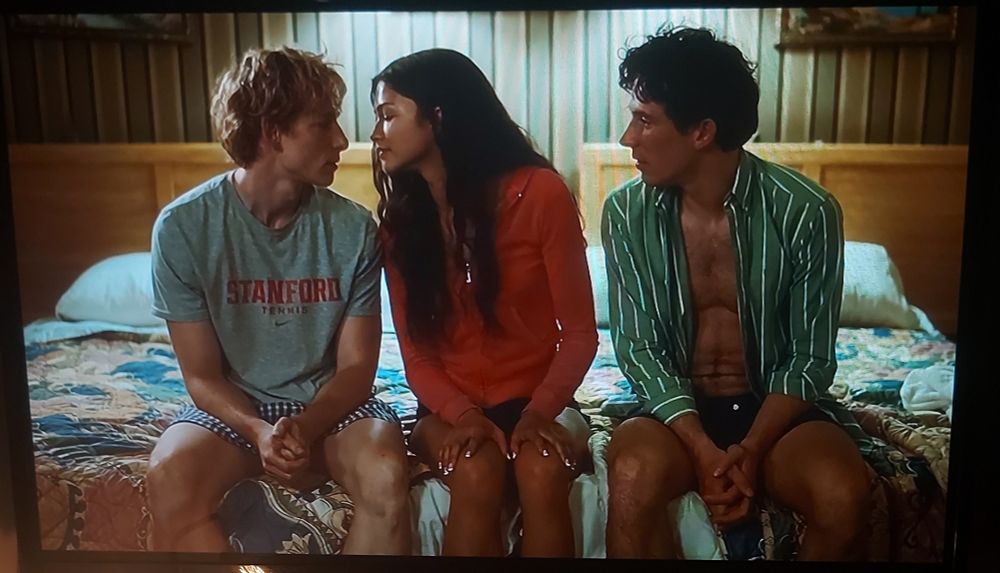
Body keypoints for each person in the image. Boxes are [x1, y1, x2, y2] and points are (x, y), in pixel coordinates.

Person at [602, 27, 875, 561]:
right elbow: (638, 349)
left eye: (644, 120)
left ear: (702, 132)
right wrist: (701, 447)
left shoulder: (805, 211)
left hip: (776, 410)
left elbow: (810, 356)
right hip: (674, 411)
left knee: (843, 495)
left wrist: (750, 447)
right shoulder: (626, 212)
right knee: (631, 477)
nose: (627, 138)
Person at [146, 46, 411, 555]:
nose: (342, 140)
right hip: (234, 411)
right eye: (323, 123)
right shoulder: (185, 228)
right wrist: (257, 430)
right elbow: (201, 376)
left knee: (384, 472)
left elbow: (357, 369)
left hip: (330, 406)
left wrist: (304, 428)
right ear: (272, 132)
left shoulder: (354, 229)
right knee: (168, 476)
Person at [371, 49, 598, 557]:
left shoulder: (540, 194)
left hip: (540, 396)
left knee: (542, 470)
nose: (376, 134)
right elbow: (417, 357)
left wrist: (540, 411)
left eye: (388, 116)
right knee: (475, 471)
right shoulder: (400, 225)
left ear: (436, 117)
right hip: (447, 406)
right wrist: (464, 414)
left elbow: (581, 335)